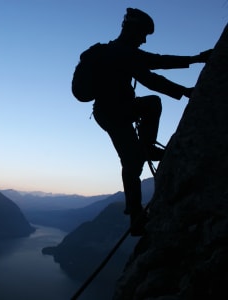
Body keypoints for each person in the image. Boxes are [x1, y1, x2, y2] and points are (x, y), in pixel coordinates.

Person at [89, 8, 212, 236]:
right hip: (116, 114)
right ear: (133, 31)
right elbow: (152, 75)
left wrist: (194, 60)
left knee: (149, 111)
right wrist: (185, 87)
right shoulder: (124, 54)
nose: (144, 39)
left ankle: (146, 148)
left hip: (109, 112)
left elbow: (156, 63)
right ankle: (135, 215)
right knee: (133, 161)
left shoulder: (114, 51)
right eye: (143, 34)